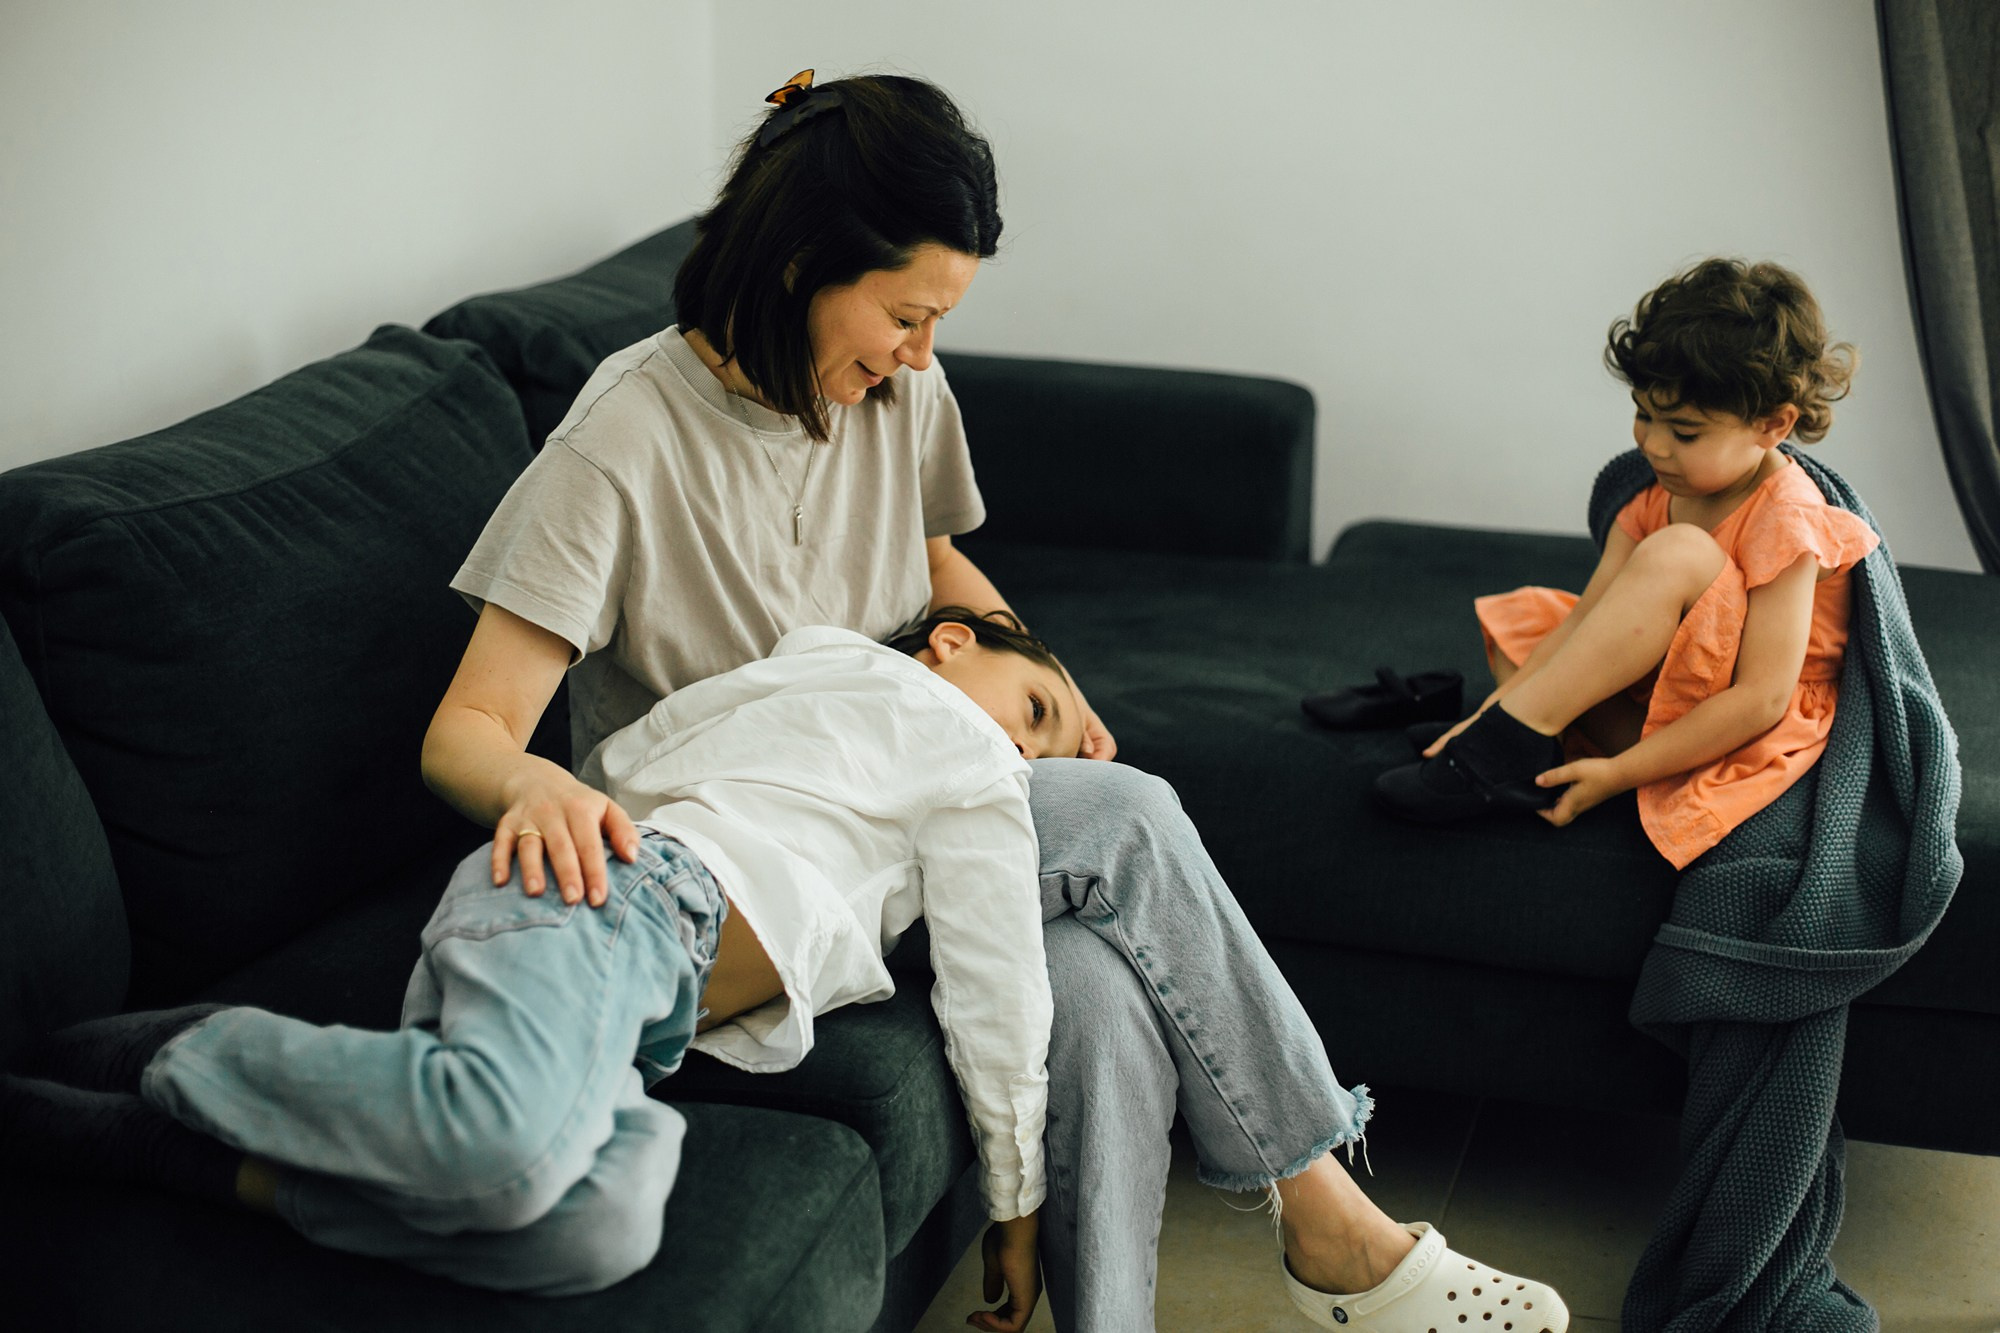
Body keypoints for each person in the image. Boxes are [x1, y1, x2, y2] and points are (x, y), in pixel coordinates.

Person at [414, 70, 1568, 1333]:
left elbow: (937, 562)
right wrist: (533, 783)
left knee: (1092, 980)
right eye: (904, 314)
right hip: (767, 870)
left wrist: (1047, 688)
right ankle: (1334, 1226)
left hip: (906, 821)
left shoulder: (899, 392)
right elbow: (467, 733)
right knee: (1124, 820)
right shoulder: (618, 446)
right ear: (800, 263)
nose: (920, 354)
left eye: (937, 322)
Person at [6, 609, 1080, 1300]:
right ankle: (177, 1050)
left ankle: (177, 1152)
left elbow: (633, 751)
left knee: (592, 1229)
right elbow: (1000, 988)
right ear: (949, 640)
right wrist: (1016, 1202)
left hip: (628, 999)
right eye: (1036, 710)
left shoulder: (805, 672)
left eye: (1050, 748)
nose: (1028, 753)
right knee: (503, 1150)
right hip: (610, 897)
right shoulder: (967, 757)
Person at [1376, 258, 1877, 871]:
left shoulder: (1788, 517)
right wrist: (1477, 722)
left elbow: (1761, 699)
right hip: (1664, 691)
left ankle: (1516, 745)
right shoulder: (1657, 489)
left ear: (1773, 425)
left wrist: (1617, 775)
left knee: (1678, 552)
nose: (1653, 445)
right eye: (1645, 413)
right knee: (1533, 621)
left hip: (1737, 731)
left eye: (1685, 432)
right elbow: (1587, 621)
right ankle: (1506, 737)